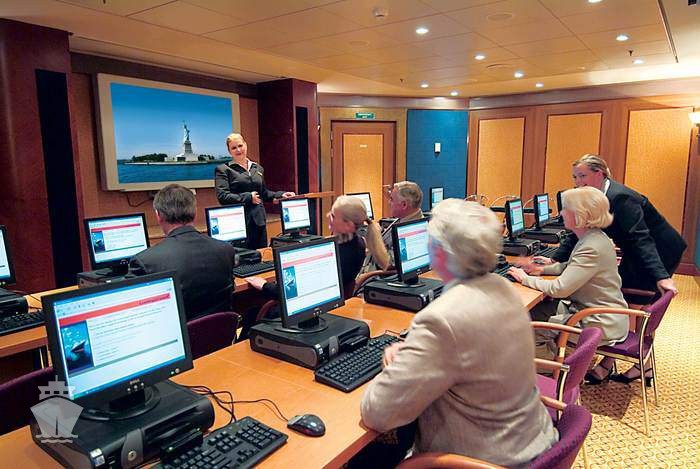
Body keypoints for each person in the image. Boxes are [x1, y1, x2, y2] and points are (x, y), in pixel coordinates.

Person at [360, 199, 557, 468]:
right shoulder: (504, 288)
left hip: (486, 459)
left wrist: (395, 366)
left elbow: (377, 414)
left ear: (440, 253)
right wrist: (416, 355)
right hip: (532, 439)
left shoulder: (442, 320)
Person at [508, 187, 629, 383]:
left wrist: (525, 278)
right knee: (535, 312)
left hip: (598, 320)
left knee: (527, 331)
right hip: (593, 310)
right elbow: (570, 266)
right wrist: (540, 270)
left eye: (565, 209)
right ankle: (555, 357)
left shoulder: (591, 246)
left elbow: (559, 289)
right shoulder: (594, 237)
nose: (561, 213)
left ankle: (559, 372)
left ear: (580, 214)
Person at [540, 154, 686, 296]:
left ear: (599, 174)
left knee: (634, 292)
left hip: (661, 249)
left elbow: (640, 238)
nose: (578, 182)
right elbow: (580, 228)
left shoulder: (620, 198)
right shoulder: (594, 196)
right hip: (636, 249)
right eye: (575, 177)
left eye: (582, 176)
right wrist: (555, 259)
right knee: (618, 285)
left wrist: (662, 276)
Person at [243, 196, 370, 330]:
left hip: (306, 313)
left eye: (333, 215)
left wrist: (264, 285)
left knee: (251, 312)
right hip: (327, 307)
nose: (328, 216)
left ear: (348, 225)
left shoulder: (334, 253)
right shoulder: (359, 243)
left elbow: (297, 294)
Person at [128, 184, 236, 322]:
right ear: (195, 213)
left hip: (177, 334)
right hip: (223, 333)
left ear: (158, 216)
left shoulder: (145, 261)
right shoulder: (226, 249)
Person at [214, 133, 295, 249]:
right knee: (241, 257)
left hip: (259, 222)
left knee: (261, 255)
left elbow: (263, 193)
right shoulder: (223, 169)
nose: (238, 150)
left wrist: (280, 195)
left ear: (245, 145)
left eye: (240, 146)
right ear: (229, 151)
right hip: (238, 224)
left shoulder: (257, 168)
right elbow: (223, 196)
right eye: (234, 148)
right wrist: (248, 197)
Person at [361, 181, 424, 273]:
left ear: (404, 205)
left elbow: (388, 263)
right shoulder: (406, 218)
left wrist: (375, 236)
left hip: (379, 276)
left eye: (392, 199)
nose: (389, 202)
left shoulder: (410, 230)